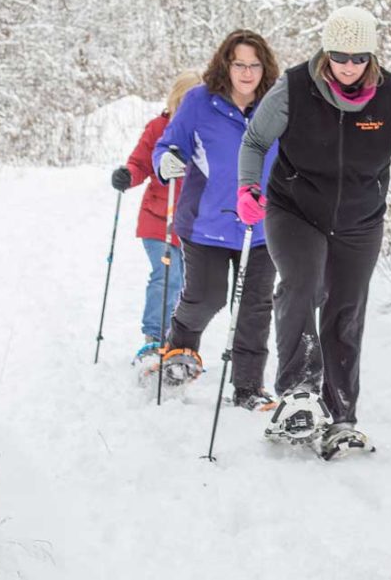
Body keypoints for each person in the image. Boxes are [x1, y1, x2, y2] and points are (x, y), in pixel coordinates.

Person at [238, 6, 391, 457]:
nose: (348, 66)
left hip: (360, 218)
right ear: (326, 52)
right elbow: (255, 141)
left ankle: (341, 413)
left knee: (346, 310)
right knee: (302, 285)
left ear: (371, 56)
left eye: (358, 57)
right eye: (339, 56)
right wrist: (248, 187)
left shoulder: (390, 94)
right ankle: (299, 392)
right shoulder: (294, 87)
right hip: (295, 209)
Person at [151, 29, 281, 410]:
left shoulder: (278, 104)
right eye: (239, 63)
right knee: (206, 297)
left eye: (254, 65)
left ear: (265, 67)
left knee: (256, 308)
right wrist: (166, 161)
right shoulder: (199, 102)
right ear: (225, 64)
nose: (246, 72)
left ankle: (248, 387)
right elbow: (168, 144)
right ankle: (180, 350)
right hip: (207, 221)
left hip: (262, 227)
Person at [110, 70, 201, 357]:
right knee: (167, 275)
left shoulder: (206, 132)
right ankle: (154, 334)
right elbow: (139, 163)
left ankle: (176, 337)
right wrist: (127, 175)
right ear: (176, 99)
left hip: (193, 224)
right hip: (157, 220)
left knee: (188, 284)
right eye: (186, 99)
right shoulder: (157, 128)